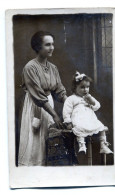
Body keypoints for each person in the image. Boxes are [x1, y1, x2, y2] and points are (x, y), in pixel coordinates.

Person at [18, 31, 67, 166]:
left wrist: (71, 103)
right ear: (38, 47)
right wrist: (55, 115)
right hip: (35, 105)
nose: (52, 48)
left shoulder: (53, 68)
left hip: (48, 104)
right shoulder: (30, 67)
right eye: (47, 45)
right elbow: (38, 96)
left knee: (49, 140)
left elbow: (59, 90)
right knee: (35, 143)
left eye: (52, 44)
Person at [63, 71, 113, 154]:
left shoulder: (89, 97)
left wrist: (91, 101)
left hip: (90, 119)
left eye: (87, 87)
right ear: (75, 87)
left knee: (101, 127)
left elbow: (97, 106)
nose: (85, 89)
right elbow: (66, 111)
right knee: (79, 128)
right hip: (79, 119)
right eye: (82, 87)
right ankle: (82, 145)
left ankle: (103, 145)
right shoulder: (71, 99)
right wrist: (68, 122)